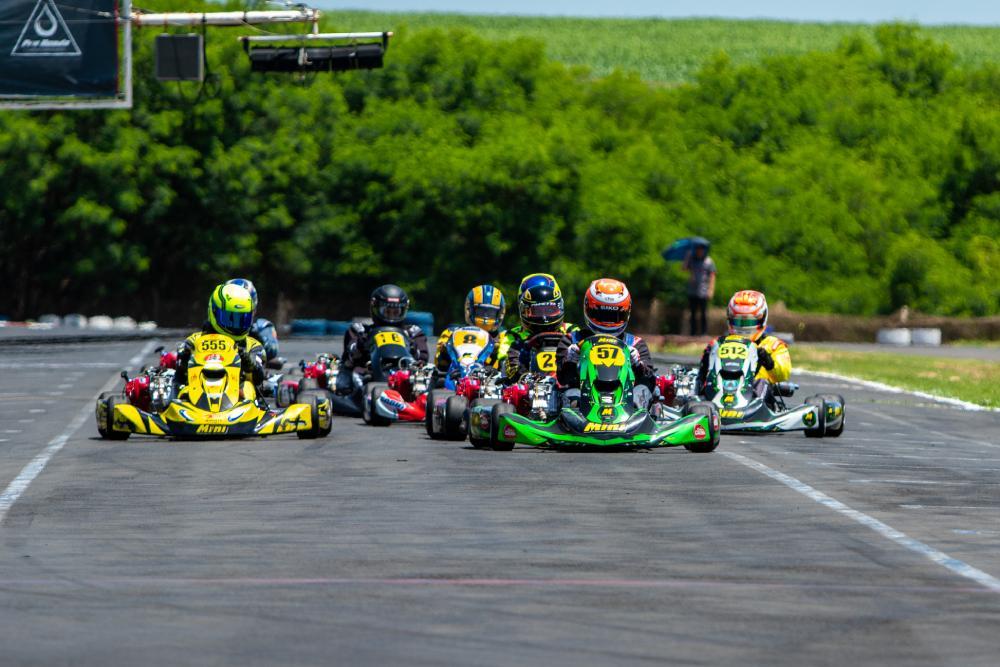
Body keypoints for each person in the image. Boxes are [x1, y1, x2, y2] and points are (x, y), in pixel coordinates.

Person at [556, 278, 657, 390]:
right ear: (588, 308)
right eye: (601, 314)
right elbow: (562, 380)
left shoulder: (635, 344)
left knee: (642, 390)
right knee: (570, 393)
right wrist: (570, 360)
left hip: (626, 402)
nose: (607, 321)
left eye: (614, 316)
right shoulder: (571, 340)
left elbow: (650, 382)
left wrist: (638, 365)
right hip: (582, 402)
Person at [174, 283, 267, 397]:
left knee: (248, 387)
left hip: (238, 398)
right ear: (214, 312)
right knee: (182, 390)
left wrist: (249, 364)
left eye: (242, 319)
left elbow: (259, 379)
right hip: (198, 395)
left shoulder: (253, 346)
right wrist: (184, 359)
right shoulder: (194, 341)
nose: (236, 326)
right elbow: (179, 376)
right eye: (230, 319)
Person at [698, 290, 791, 402]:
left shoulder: (773, 345)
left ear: (762, 319)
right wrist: (707, 359)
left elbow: (783, 374)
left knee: (761, 382)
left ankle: (755, 406)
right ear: (730, 319)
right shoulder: (717, 344)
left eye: (749, 322)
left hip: (757, 398)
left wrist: (768, 361)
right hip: (721, 391)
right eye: (739, 322)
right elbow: (703, 375)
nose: (743, 327)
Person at [339, 285, 429, 392]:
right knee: (346, 378)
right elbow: (349, 358)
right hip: (369, 376)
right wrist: (363, 345)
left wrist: (411, 348)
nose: (391, 316)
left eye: (396, 312)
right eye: (387, 312)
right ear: (375, 309)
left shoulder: (413, 333)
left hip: (405, 377)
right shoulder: (360, 331)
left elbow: (422, 359)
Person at [495, 273, 578, 380]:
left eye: (549, 310)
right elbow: (504, 360)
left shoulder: (571, 330)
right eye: (537, 311)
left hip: (567, 382)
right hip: (530, 384)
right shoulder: (514, 335)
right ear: (524, 308)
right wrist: (522, 352)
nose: (544, 317)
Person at [434, 284, 506, 372]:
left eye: (490, 313)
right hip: (456, 378)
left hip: (491, 382)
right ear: (469, 310)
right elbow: (439, 366)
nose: (485, 317)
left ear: (499, 314)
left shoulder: (504, 339)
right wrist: (445, 353)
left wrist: (496, 354)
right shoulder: (451, 334)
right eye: (481, 311)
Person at [225, 278, 280, 363]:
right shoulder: (217, 325)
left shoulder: (262, 326)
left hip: (251, 370)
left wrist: (257, 336)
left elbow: (272, 351)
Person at [683, 243, 716, 336]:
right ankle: (692, 333)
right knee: (692, 313)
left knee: (703, 313)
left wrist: (711, 289)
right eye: (697, 249)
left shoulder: (709, 261)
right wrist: (687, 256)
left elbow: (713, 275)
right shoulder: (692, 260)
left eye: (701, 250)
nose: (699, 251)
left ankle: (703, 333)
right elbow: (684, 268)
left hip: (704, 291)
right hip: (692, 290)